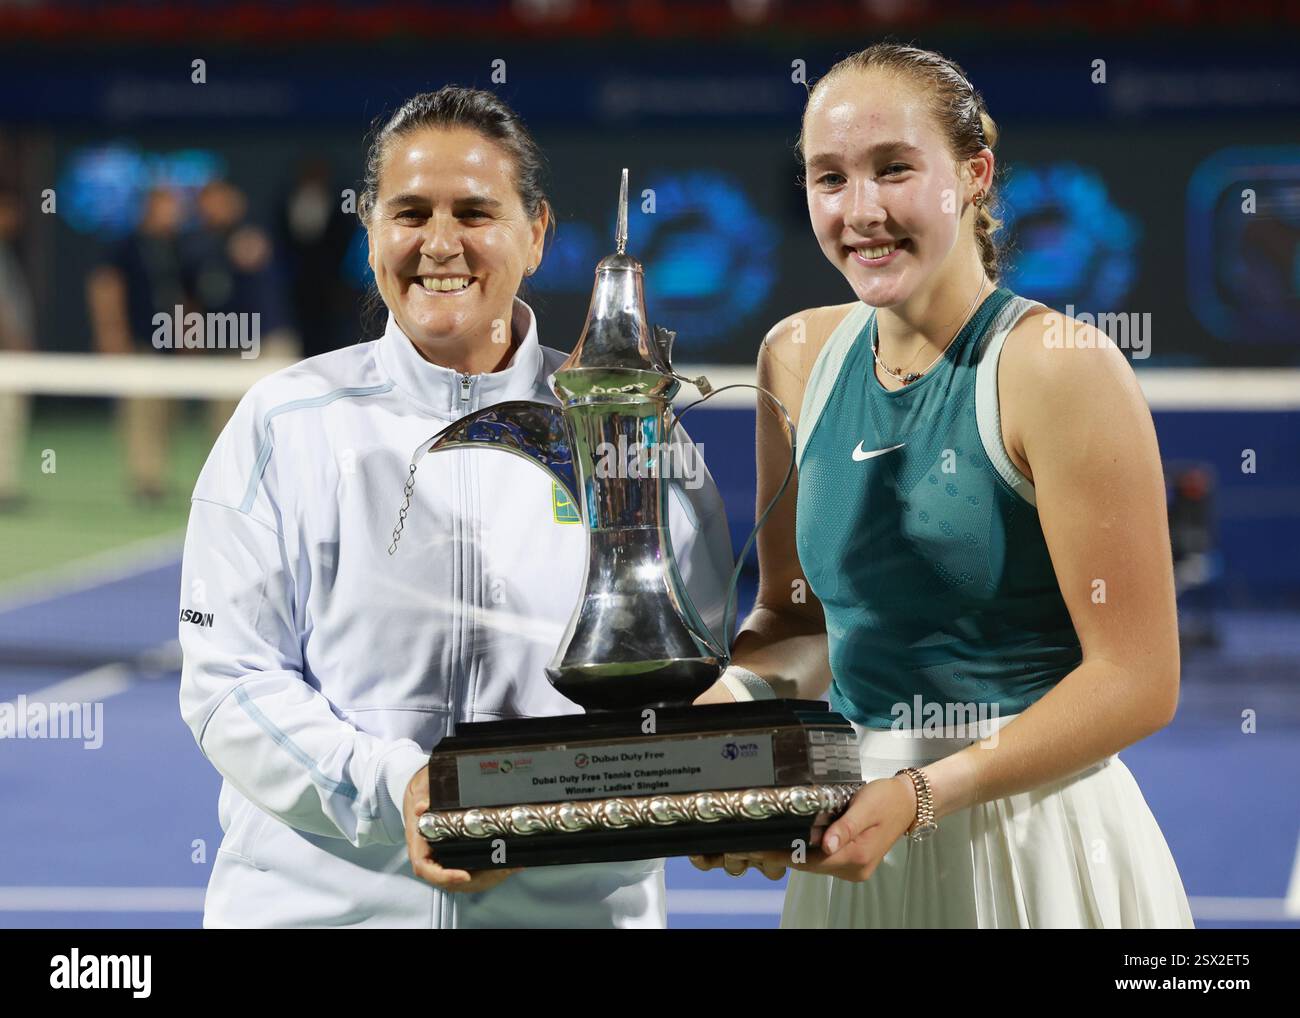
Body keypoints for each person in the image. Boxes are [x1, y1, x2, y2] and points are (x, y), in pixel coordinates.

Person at [177, 86, 734, 928]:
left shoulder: (636, 435)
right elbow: (229, 682)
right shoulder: (281, 424)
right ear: (371, 234)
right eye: (410, 213)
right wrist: (397, 787)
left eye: (476, 212)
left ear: (537, 233)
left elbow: (697, 676)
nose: (441, 243)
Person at [690, 43, 1194, 928]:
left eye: (895, 169)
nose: (862, 211)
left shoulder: (1061, 369)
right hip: (851, 837)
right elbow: (798, 625)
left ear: (972, 174)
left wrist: (925, 791)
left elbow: (1138, 679)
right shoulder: (795, 357)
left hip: (1032, 845)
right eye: (830, 178)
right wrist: (727, 718)